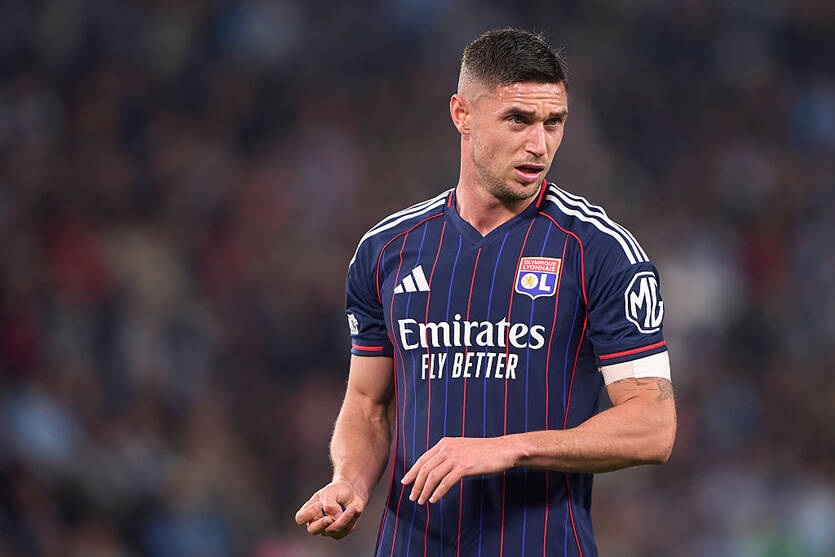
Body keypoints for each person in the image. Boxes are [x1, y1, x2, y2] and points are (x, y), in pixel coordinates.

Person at [295, 28, 676, 556]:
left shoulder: (600, 251)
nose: (539, 145)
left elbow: (653, 426)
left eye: (553, 122)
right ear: (462, 114)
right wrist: (351, 482)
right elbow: (367, 404)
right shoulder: (386, 251)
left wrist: (510, 448)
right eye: (518, 119)